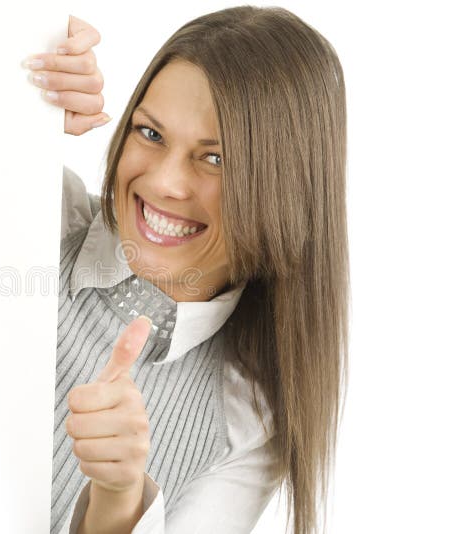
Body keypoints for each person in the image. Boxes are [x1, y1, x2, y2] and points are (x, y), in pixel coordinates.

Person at [22, 7, 349, 534]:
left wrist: (118, 500)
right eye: (150, 133)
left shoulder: (248, 419)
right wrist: (10, 99)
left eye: (215, 159)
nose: (165, 182)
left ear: (285, 193)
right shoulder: (38, 212)